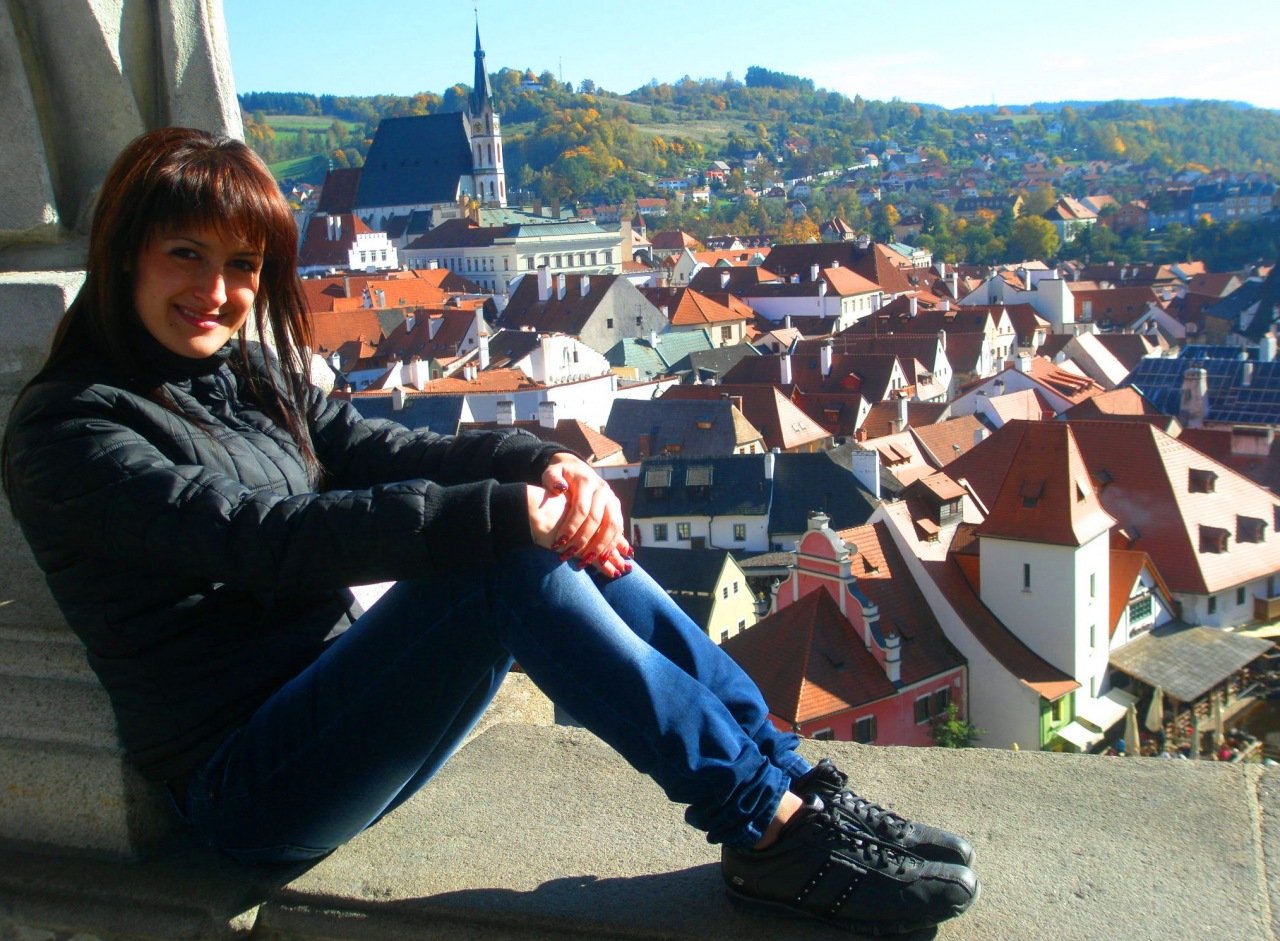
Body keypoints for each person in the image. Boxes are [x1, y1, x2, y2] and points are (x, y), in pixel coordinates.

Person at [2, 128, 979, 935]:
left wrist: (542, 466)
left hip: (337, 715)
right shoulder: (69, 431)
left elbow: (383, 446)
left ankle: (787, 778)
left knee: (558, 531)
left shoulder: (247, 375)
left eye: (241, 265)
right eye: (185, 254)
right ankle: (761, 825)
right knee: (503, 561)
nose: (217, 290)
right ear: (122, 252)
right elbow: (264, 534)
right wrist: (508, 512)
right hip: (248, 786)